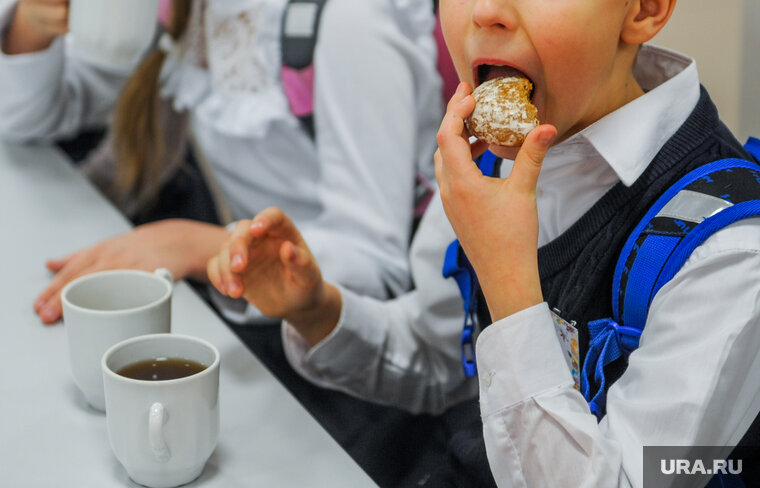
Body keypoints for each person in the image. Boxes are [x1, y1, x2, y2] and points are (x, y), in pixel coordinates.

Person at [208, 0, 760, 485]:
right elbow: (441, 359)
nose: (485, 11)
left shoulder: (729, 251)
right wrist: (318, 309)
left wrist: (508, 279)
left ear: (642, 9)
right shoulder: (491, 158)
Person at [0, 0, 441, 324]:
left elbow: (376, 266)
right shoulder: (187, 9)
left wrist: (202, 246)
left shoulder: (353, 21)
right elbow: (30, 119)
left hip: (335, 337)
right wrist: (29, 30)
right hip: (244, 300)